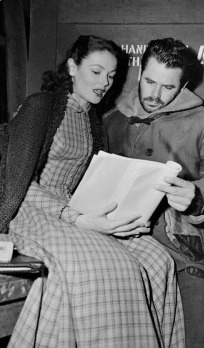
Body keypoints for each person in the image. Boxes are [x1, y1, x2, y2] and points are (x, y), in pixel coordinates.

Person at [0, 35, 185, 347]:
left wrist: (124, 214)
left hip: (75, 209)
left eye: (111, 76)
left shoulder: (93, 121)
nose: (105, 83)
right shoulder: (40, 106)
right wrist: (76, 217)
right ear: (73, 66)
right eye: (96, 72)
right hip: (31, 209)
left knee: (157, 259)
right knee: (113, 263)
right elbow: (13, 181)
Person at [103, 37, 204, 348]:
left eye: (167, 87)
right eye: (150, 81)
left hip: (193, 256)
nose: (155, 94)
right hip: (126, 254)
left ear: (183, 87)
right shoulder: (111, 121)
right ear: (139, 75)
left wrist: (198, 197)